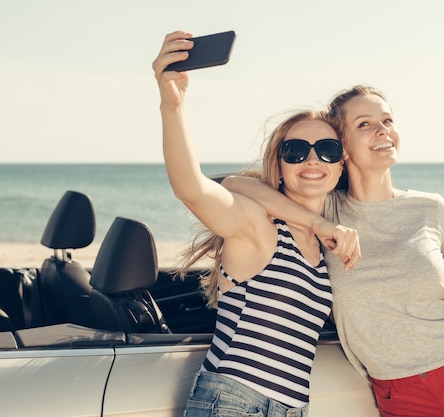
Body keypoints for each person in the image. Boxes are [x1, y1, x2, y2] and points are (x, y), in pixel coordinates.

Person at [223, 85, 444, 417]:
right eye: (364, 124)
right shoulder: (324, 209)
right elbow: (235, 185)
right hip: (399, 390)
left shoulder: (429, 206)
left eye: (387, 120)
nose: (382, 129)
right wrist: (318, 222)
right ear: (342, 150)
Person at [152, 30, 360, 417]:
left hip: (290, 408)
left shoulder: (324, 241)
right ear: (278, 166)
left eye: (327, 150)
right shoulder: (260, 227)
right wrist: (172, 108)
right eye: (295, 151)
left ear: (340, 166)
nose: (312, 160)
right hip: (237, 402)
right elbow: (192, 189)